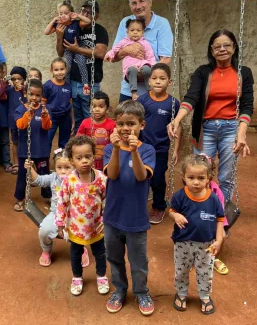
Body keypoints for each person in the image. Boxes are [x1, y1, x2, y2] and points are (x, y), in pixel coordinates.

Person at [168, 29, 254, 202]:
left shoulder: (243, 73)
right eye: (217, 46)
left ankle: (221, 215)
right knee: (200, 173)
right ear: (211, 50)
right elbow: (191, 97)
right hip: (205, 129)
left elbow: (247, 106)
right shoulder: (203, 72)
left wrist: (241, 133)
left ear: (234, 47)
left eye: (226, 45)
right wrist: (177, 120)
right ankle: (200, 210)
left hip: (231, 129)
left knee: (227, 176)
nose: (222, 49)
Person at [103, 100, 156, 316]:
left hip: (136, 219)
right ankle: (120, 289)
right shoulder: (109, 148)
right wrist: (116, 149)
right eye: (121, 124)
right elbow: (112, 174)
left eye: (131, 123)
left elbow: (141, 176)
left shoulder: (148, 150)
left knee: (138, 261)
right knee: (114, 258)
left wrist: (134, 151)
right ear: (115, 125)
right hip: (113, 217)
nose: (126, 128)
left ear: (141, 125)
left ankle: (142, 291)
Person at [169, 154, 225, 315]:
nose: (196, 182)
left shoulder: (213, 199)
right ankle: (181, 293)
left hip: (206, 244)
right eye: (191, 177)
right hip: (183, 242)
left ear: (208, 179)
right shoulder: (180, 195)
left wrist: (219, 240)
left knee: (205, 271)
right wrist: (175, 215)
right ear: (184, 177)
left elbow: (220, 220)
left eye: (201, 178)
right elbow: (172, 211)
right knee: (181, 270)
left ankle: (205, 296)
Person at [56, 135, 109, 296]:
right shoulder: (69, 180)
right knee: (75, 253)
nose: (84, 161)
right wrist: (60, 223)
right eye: (79, 158)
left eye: (88, 156)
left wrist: (105, 219)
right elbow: (62, 202)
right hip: (75, 227)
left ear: (94, 156)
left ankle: (101, 276)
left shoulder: (101, 178)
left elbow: (108, 200)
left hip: (97, 226)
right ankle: (77, 277)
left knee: (100, 253)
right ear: (72, 161)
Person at [24, 148, 89, 268]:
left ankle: (81, 250)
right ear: (55, 168)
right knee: (43, 231)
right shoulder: (53, 177)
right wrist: (30, 168)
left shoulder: (79, 178)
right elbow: (38, 180)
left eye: (67, 167)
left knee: (77, 233)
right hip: (56, 213)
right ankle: (46, 250)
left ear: (74, 166)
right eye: (59, 167)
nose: (63, 171)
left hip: (74, 214)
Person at [56, 0, 109, 133]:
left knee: (91, 114)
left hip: (91, 82)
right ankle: (80, 142)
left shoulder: (99, 30)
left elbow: (101, 53)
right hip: (73, 81)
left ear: (96, 16)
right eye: (83, 11)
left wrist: (77, 49)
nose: (85, 13)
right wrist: (59, 37)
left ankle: (93, 145)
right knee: (77, 116)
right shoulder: (73, 26)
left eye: (89, 12)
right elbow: (61, 53)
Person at [112, 0, 173, 102]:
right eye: (134, 3)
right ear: (130, 6)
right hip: (128, 90)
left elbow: (165, 58)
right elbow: (114, 57)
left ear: (150, 2)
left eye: (142, 1)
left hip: (153, 90)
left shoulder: (162, 24)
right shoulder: (126, 22)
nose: (138, 6)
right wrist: (127, 50)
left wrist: (148, 73)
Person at [137, 63, 179, 225]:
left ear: (170, 82)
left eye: (162, 78)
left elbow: (177, 128)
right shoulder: (143, 100)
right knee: (140, 177)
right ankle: (139, 206)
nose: (157, 82)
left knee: (157, 179)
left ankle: (159, 206)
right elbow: (135, 122)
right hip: (141, 148)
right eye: (154, 78)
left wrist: (175, 150)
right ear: (149, 81)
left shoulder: (173, 103)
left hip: (161, 149)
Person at [13, 79, 52, 212]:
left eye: (38, 95)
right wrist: (28, 113)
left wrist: (45, 117)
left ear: (41, 96)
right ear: (26, 94)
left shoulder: (44, 109)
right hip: (25, 151)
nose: (34, 98)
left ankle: (48, 195)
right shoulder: (20, 109)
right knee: (23, 174)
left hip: (41, 150)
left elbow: (47, 127)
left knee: (44, 174)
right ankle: (20, 198)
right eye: (31, 94)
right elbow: (20, 125)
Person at [105, 18, 156, 101]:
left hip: (142, 66)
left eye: (138, 30)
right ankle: (134, 93)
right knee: (132, 70)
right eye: (132, 30)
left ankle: (150, 91)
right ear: (127, 32)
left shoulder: (145, 43)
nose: (135, 32)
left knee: (147, 69)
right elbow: (115, 49)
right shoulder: (124, 42)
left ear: (142, 32)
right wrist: (109, 55)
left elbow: (150, 56)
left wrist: (152, 67)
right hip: (130, 68)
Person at [45, 0, 92, 86]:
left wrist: (77, 15)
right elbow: (46, 32)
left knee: (82, 63)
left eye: (66, 13)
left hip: (78, 48)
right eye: (60, 13)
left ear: (71, 14)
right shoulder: (59, 25)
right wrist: (53, 20)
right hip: (67, 49)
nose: (62, 15)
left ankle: (85, 84)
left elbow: (88, 21)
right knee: (67, 67)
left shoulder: (76, 23)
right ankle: (67, 84)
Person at [76, 91, 115, 171]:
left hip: (106, 161)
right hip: (89, 162)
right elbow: (78, 141)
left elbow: (115, 144)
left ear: (107, 109)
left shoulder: (112, 125)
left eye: (101, 106)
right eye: (94, 106)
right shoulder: (85, 123)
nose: (97, 109)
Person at [42, 57, 74, 154]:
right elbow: (43, 104)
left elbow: (70, 104)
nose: (59, 72)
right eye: (56, 70)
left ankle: (61, 164)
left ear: (66, 69)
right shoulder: (47, 85)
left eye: (62, 69)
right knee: (46, 141)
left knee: (64, 144)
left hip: (65, 118)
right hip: (51, 117)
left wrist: (73, 121)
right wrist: (44, 118)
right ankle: (44, 165)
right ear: (51, 70)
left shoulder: (68, 86)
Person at [4, 66, 27, 175]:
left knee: (27, 141)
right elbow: (1, 96)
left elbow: (28, 100)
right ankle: (16, 163)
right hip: (13, 120)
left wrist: (23, 90)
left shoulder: (27, 90)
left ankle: (28, 163)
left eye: (19, 79)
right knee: (15, 141)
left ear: (24, 79)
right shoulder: (9, 90)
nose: (16, 81)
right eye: (14, 79)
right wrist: (4, 83)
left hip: (25, 120)